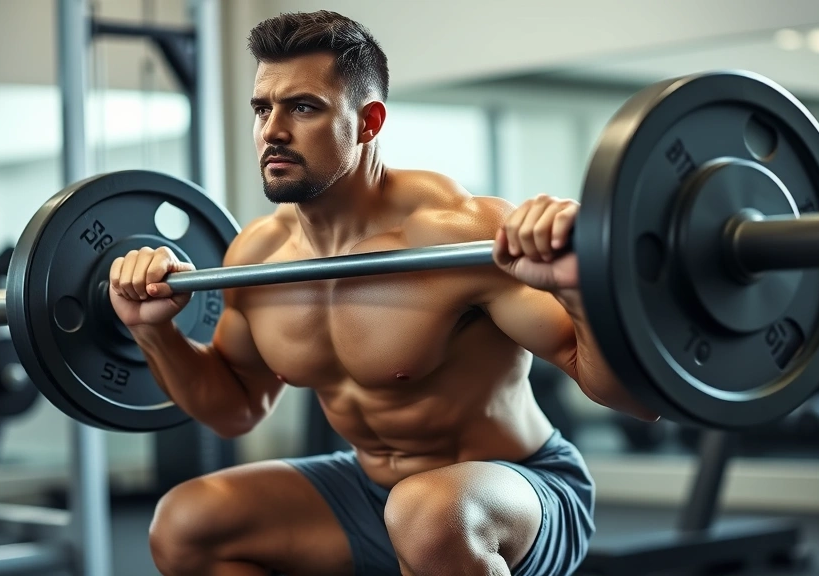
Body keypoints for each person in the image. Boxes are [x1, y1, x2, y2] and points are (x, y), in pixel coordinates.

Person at [108, 10, 659, 576]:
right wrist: (153, 330)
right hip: (369, 493)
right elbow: (236, 409)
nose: (272, 129)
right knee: (187, 524)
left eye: (303, 107)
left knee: (426, 516)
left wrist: (575, 291)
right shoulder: (258, 255)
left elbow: (636, 401)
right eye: (261, 107)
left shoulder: (458, 232)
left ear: (368, 122)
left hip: (512, 495)